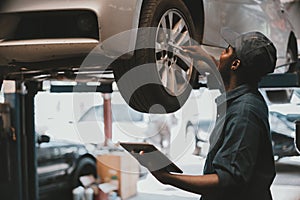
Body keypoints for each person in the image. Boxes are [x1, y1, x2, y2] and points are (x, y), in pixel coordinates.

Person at [146, 29, 277, 200]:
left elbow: (227, 182)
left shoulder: (244, 112)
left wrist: (167, 178)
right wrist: (207, 59)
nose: (222, 52)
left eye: (227, 50)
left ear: (235, 64)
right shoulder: (244, 98)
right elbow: (228, 80)